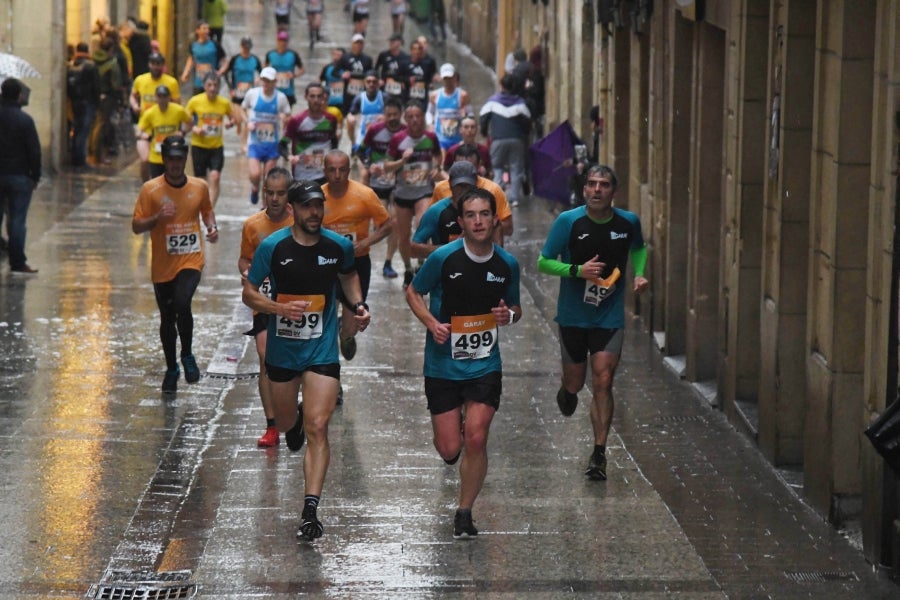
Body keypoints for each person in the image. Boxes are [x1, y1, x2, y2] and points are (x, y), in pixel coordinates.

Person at [242, 179, 371, 541]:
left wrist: (358, 305)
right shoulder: (272, 247)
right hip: (283, 351)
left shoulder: (338, 247)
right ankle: (291, 420)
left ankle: (310, 509)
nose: (315, 213)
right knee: (287, 424)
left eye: (319, 206)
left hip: (321, 349)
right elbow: (249, 294)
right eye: (308, 207)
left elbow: (349, 276)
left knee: (318, 426)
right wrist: (278, 308)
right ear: (294, 210)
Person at [405, 186, 522, 538]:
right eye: (470, 215)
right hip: (442, 363)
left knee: (476, 436)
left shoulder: (507, 264)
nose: (478, 221)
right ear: (461, 222)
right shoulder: (443, 258)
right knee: (449, 448)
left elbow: (516, 309)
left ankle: (465, 511)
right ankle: (452, 425)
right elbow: (413, 291)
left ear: (494, 218)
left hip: (485, 362)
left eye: (484, 214)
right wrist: (431, 323)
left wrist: (508, 316)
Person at [537, 164, 649, 481]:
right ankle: (567, 391)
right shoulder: (568, 221)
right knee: (575, 383)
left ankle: (599, 453)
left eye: (603, 185)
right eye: (591, 184)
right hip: (573, 315)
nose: (597, 190)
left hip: (609, 315)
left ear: (614, 191)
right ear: (584, 189)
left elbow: (639, 248)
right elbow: (543, 261)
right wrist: (577, 271)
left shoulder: (628, 222)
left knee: (603, 380)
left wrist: (639, 273)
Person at [131, 135, 219, 393]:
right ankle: (171, 367)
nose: (175, 164)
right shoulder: (151, 190)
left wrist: (211, 227)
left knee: (183, 302)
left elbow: (207, 210)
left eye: (179, 159)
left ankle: (188, 354)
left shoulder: (199, 186)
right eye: (170, 159)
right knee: (167, 318)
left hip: (191, 259)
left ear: (185, 159)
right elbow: (136, 226)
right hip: (162, 265)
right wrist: (157, 217)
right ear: (164, 159)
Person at [239, 166, 295, 448]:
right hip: (265, 302)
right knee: (264, 356)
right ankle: (272, 425)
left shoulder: (300, 222)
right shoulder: (252, 225)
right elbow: (244, 259)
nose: (274, 199)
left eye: (280, 193)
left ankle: (296, 410)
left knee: (293, 362)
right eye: (269, 193)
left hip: (297, 305)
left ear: (289, 194)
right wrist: (247, 273)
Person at [321, 150, 392, 361]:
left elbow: (388, 225)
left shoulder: (364, 195)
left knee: (352, 323)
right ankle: (330, 372)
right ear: (324, 171)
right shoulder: (317, 197)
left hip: (357, 262)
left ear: (349, 171)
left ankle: (347, 335)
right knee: (325, 319)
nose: (337, 175)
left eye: (342, 170)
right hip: (326, 264)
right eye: (332, 170)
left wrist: (365, 242)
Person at [384, 100, 442, 287]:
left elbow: (437, 154)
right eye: (411, 117)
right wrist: (402, 160)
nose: (415, 120)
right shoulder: (397, 139)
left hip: (424, 191)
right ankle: (408, 268)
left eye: (418, 116)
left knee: (422, 224)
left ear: (424, 117)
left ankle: (420, 264)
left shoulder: (431, 137)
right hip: (402, 194)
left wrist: (437, 167)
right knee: (403, 236)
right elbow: (387, 166)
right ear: (406, 119)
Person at [356, 95, 405, 279]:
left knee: (396, 223)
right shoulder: (374, 130)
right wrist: (370, 167)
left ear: (400, 114)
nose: (392, 118)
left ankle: (388, 262)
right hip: (379, 185)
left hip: (399, 184)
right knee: (385, 223)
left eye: (395, 114)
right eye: (389, 114)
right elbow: (360, 151)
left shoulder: (407, 133)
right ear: (384, 114)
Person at [428, 144, 512, 244]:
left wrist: (482, 225)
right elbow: (430, 225)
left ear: (479, 165)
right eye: (460, 167)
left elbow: (508, 229)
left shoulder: (493, 190)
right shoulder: (441, 189)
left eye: (469, 167)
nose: (464, 170)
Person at [0, 78, 41, 275]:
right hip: (19, 176)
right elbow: (34, 151)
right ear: (18, 95)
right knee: (17, 220)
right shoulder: (25, 120)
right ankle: (17, 262)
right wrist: (36, 176)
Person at [242, 66, 292, 205]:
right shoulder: (252, 94)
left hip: (272, 144)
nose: (266, 83)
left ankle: (265, 208)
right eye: (264, 79)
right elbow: (243, 109)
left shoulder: (281, 98)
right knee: (255, 174)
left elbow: (288, 116)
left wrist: (283, 117)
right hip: (255, 143)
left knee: (268, 179)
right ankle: (254, 187)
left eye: (269, 80)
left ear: (275, 82)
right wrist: (248, 122)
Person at [479, 73, 531, 207]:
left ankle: (497, 196)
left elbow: (483, 119)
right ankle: (514, 199)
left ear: (501, 86)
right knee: (516, 168)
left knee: (497, 167)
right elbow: (527, 123)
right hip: (516, 140)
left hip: (498, 140)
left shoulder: (492, 102)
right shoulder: (520, 103)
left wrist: (485, 132)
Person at [185, 72, 235, 207]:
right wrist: (195, 129)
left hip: (216, 147)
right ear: (204, 86)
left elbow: (232, 117)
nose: (212, 88)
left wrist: (230, 123)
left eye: (215, 85)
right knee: (201, 182)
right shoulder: (195, 101)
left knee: (215, 176)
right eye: (209, 85)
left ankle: (209, 209)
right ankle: (202, 205)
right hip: (199, 146)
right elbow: (185, 121)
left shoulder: (224, 103)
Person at [131, 53, 181, 182]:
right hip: (146, 127)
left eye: (158, 64)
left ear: (163, 66)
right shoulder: (140, 80)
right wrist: (135, 105)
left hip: (163, 128)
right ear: (149, 65)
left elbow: (177, 104)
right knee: (145, 159)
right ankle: (146, 185)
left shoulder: (171, 82)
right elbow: (133, 95)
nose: (156, 67)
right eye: (153, 64)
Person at [280, 82, 340, 185]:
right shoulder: (296, 121)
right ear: (306, 97)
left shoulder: (331, 119)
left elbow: (333, 141)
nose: (316, 100)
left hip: (324, 175)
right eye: (312, 96)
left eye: (319, 96)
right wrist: (289, 157)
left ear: (323, 98)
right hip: (302, 175)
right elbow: (282, 145)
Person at [137, 86, 193, 179]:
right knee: (157, 184)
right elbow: (139, 130)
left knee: (173, 183)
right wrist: (144, 135)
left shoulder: (178, 110)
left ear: (169, 97)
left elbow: (190, 122)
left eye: (165, 96)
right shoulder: (150, 113)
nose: (162, 100)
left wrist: (182, 132)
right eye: (159, 96)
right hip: (156, 156)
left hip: (173, 155)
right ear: (155, 98)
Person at [221, 37, 262, 154]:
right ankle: (237, 124)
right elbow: (226, 74)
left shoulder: (255, 59)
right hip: (237, 95)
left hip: (249, 96)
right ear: (241, 46)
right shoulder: (235, 59)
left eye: (248, 46)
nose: (246, 48)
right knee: (238, 120)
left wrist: (259, 81)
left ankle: (244, 144)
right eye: (244, 46)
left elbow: (261, 73)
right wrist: (231, 89)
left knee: (247, 120)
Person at [67, 42, 101, 169]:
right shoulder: (91, 66)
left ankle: (75, 157)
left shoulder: (71, 65)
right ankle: (80, 159)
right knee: (84, 131)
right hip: (88, 102)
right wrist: (97, 102)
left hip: (75, 102)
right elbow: (97, 86)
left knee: (77, 129)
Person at [427, 63, 472, 157]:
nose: (448, 81)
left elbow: (471, 114)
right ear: (442, 78)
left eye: (450, 77)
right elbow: (429, 112)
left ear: (455, 77)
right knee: (443, 163)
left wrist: (466, 120)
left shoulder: (463, 95)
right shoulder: (435, 95)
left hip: (457, 138)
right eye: (445, 78)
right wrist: (430, 124)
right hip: (440, 137)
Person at [180, 21, 226, 97]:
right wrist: (186, 73)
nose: (207, 31)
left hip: (212, 83)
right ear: (197, 31)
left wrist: (220, 72)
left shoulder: (215, 45)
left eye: (207, 29)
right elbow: (191, 60)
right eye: (204, 29)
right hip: (198, 82)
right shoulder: (193, 45)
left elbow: (224, 61)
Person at [266, 31, 305, 108]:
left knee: (287, 117)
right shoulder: (270, 54)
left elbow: (302, 70)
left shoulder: (293, 54)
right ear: (277, 41)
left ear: (287, 42)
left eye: (284, 41)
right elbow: (264, 69)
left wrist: (294, 75)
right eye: (281, 40)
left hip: (288, 92)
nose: (282, 43)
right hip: (273, 91)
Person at [346, 71, 382, 153]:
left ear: (378, 83)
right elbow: (350, 114)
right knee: (349, 120)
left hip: (379, 135)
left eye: (374, 82)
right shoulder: (359, 98)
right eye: (368, 82)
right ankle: (353, 143)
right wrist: (350, 117)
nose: (371, 84)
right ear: (364, 83)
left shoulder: (384, 97)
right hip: (364, 134)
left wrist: (385, 118)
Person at [341, 34, 374, 117]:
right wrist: (342, 74)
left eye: (360, 44)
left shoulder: (367, 59)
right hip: (348, 91)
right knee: (347, 114)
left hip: (362, 91)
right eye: (356, 43)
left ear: (363, 45)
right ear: (352, 44)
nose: (358, 46)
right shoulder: (345, 57)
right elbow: (335, 71)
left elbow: (371, 73)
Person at [374, 33, 409, 102]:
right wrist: (379, 79)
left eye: (393, 41)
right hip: (385, 84)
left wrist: (403, 82)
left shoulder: (405, 57)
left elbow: (408, 73)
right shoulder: (383, 55)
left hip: (399, 86)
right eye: (390, 41)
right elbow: (376, 68)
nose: (391, 43)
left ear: (399, 43)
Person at [404, 39, 436, 104]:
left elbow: (430, 77)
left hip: (422, 97)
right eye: (414, 49)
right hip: (408, 97)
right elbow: (399, 77)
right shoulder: (405, 63)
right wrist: (407, 80)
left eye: (419, 49)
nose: (417, 51)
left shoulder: (427, 64)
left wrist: (430, 82)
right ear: (411, 50)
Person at [320, 47, 347, 115]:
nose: (336, 57)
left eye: (339, 55)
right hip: (329, 100)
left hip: (343, 101)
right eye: (334, 54)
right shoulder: (327, 67)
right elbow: (320, 80)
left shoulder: (347, 68)